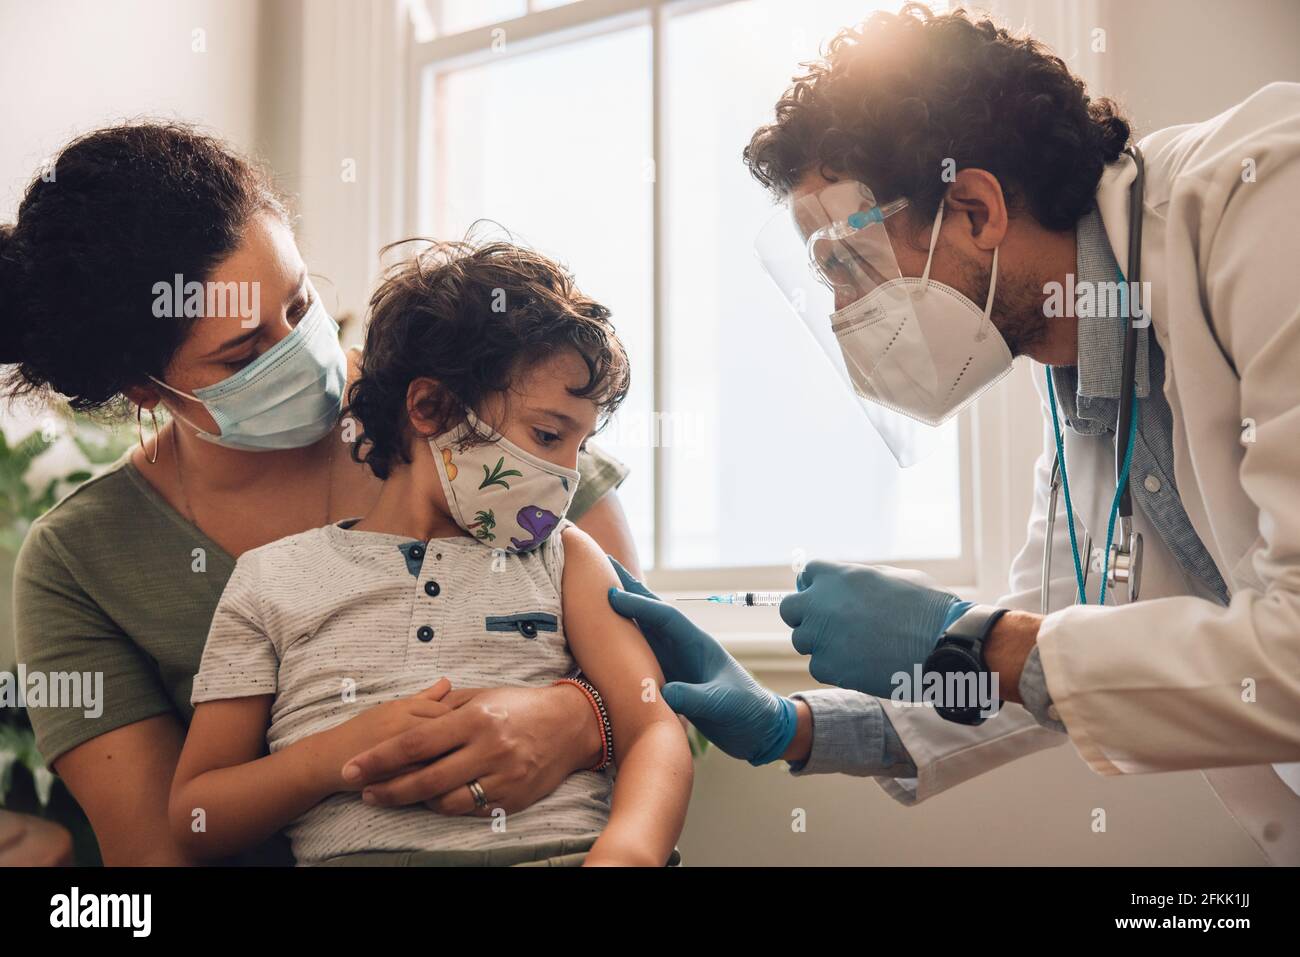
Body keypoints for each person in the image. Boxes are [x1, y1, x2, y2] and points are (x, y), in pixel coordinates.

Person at [608, 4, 1300, 865]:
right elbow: (1043, 659)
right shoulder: (1077, 378)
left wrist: (971, 633)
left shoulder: (1263, 197)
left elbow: (1039, 651)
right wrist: (801, 726)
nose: (842, 313)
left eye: (846, 266)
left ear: (974, 209)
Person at [0, 123, 641, 865]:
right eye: (244, 353)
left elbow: (669, 695)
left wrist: (578, 718)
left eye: (300, 307)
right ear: (147, 388)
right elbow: (162, 853)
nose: (306, 355)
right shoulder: (80, 564)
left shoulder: (478, 419)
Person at [169, 239, 691, 867]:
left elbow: (654, 726)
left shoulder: (565, 558)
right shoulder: (269, 579)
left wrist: (628, 854)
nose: (568, 473)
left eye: (579, 445)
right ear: (430, 407)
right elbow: (197, 816)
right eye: (548, 435)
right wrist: (332, 757)